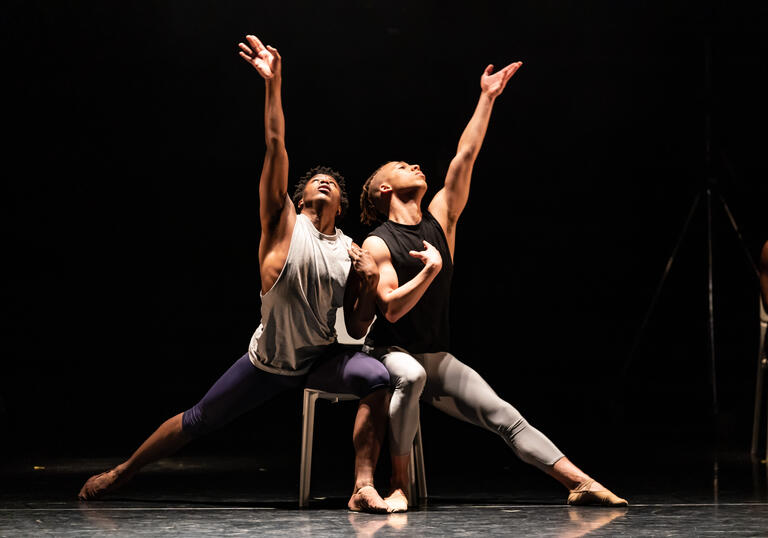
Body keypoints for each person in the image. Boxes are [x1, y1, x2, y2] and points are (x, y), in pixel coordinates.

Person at [78, 35, 394, 513]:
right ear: (299, 194)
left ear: (342, 204)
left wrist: (369, 279)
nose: (323, 180)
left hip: (318, 360)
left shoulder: (351, 250)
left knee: (377, 375)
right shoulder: (282, 221)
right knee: (200, 418)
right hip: (266, 363)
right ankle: (123, 472)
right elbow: (275, 142)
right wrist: (273, 82)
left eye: (331, 181)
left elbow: (356, 325)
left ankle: (363, 486)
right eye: (313, 180)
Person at [359, 60, 628, 511]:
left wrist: (487, 97)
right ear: (385, 189)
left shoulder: (441, 216)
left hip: (435, 354)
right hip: (391, 356)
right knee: (414, 374)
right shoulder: (377, 242)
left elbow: (465, 155)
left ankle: (578, 481)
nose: (416, 165)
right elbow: (390, 310)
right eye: (404, 166)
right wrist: (429, 272)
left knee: (501, 413)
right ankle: (399, 482)